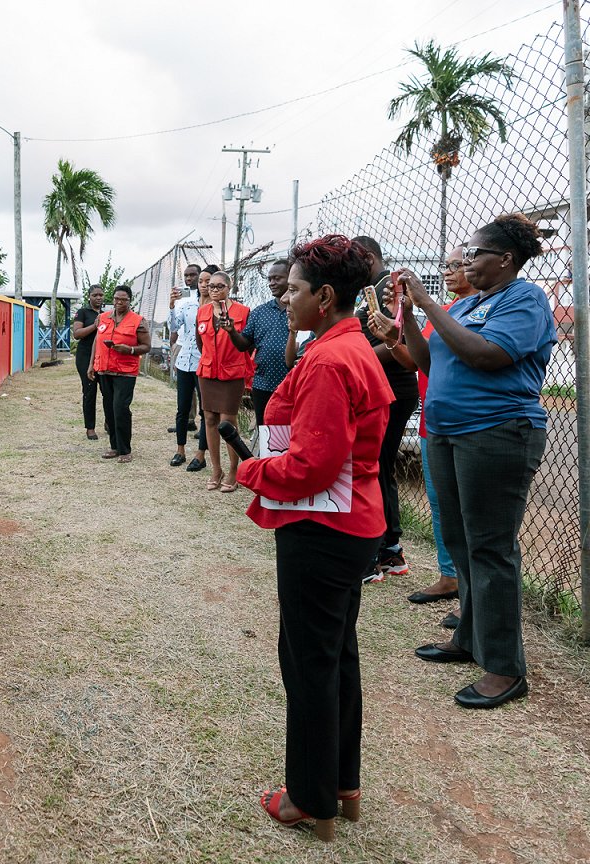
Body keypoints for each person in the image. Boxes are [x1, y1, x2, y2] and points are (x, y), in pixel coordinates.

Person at [237, 235, 392, 841]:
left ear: (325, 296)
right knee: (335, 658)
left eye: (295, 289)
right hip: (351, 522)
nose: (285, 296)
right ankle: (341, 787)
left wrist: (250, 470)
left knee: (308, 663)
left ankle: (309, 798)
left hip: (322, 525)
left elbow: (312, 467)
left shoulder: (329, 360)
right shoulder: (347, 345)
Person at [386, 214, 554, 709]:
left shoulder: (524, 299)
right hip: (447, 433)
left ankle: (504, 667)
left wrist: (430, 304)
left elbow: (486, 356)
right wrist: (411, 318)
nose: (466, 262)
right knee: (460, 541)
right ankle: (469, 639)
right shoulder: (466, 304)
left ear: (504, 259)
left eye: (474, 255)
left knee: (491, 547)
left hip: (497, 433)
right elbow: (429, 361)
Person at [367, 247, 477, 612]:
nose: (448, 272)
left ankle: (474, 597)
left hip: (468, 423)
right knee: (441, 505)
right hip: (434, 422)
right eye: (445, 265)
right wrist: (392, 337)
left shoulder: (476, 314)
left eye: (456, 266)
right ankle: (450, 576)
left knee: (470, 513)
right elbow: (416, 360)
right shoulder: (443, 312)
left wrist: (421, 306)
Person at [352, 236, 417, 584]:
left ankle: (381, 552)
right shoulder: (370, 289)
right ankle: (388, 550)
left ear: (368, 257)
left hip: (393, 388)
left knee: (376, 468)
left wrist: (350, 356)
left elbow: (395, 343)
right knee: (379, 468)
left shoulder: (390, 288)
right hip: (380, 388)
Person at [193, 271, 252, 489]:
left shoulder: (243, 312)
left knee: (228, 421)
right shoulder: (202, 312)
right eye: (211, 286)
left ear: (229, 287)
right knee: (209, 419)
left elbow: (247, 342)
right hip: (208, 373)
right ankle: (216, 469)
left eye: (219, 286)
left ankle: (234, 470)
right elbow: (201, 343)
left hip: (232, 373)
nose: (215, 290)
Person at [219, 259, 292, 425]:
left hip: (292, 386)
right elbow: (243, 344)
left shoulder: (302, 310)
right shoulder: (260, 312)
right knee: (265, 432)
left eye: (277, 278)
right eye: (270, 279)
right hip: (263, 385)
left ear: (291, 278)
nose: (272, 283)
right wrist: (232, 332)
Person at [89, 285, 150, 464]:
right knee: (109, 409)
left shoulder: (138, 321)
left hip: (125, 372)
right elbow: (96, 341)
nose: (119, 302)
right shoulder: (102, 318)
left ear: (130, 301)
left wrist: (129, 349)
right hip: (104, 369)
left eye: (123, 299)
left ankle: (125, 449)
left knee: (120, 409)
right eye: (116, 299)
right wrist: (92, 364)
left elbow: (146, 346)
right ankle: (114, 446)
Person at [167, 266, 208, 466]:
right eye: (201, 281)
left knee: (205, 411)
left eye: (207, 281)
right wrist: (172, 306)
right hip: (185, 360)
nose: (204, 285)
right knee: (182, 408)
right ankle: (180, 450)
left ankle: (201, 454)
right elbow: (174, 327)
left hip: (205, 362)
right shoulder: (188, 303)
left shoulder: (218, 307)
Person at [71, 285, 105, 440]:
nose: (98, 298)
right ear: (89, 296)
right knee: (90, 392)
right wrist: (94, 325)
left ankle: (109, 423)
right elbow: (77, 334)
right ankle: (90, 428)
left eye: (101, 295)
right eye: (95, 295)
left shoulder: (107, 314)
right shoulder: (83, 313)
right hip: (85, 357)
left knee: (108, 392)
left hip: (103, 357)